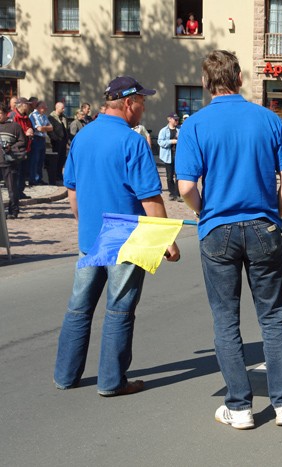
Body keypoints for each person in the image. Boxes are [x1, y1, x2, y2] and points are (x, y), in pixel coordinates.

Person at [176, 50, 282, 429]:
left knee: (226, 320)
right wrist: (273, 216)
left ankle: (240, 407)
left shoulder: (195, 125)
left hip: (218, 231)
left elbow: (185, 187)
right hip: (263, 226)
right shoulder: (268, 120)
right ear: (241, 78)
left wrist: (202, 213)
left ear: (204, 83)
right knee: (273, 318)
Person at [53, 76, 180, 397]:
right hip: (126, 236)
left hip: (92, 236)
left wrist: (84, 222)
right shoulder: (133, 140)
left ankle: (65, 375)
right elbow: (151, 198)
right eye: (142, 101)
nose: (144, 107)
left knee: (78, 308)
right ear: (128, 103)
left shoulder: (83, 136)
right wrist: (167, 239)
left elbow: (72, 189)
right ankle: (111, 380)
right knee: (119, 309)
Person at [0, 104, 27, 218]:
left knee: (11, 188)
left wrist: (11, 146)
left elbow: (22, 141)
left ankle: (13, 211)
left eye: (0, 113)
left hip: (9, 162)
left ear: (6, 114)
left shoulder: (14, 126)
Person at [157, 113, 181, 201]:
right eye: (175, 119)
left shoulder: (180, 130)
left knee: (178, 176)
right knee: (169, 176)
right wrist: (172, 141)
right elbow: (160, 142)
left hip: (178, 156)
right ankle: (172, 193)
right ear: (169, 119)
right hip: (168, 156)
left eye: (178, 119)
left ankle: (178, 194)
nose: (177, 121)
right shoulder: (163, 131)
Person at [29, 100, 52, 185]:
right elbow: (38, 129)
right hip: (36, 139)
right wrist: (45, 128)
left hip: (42, 139)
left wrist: (44, 128)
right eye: (44, 107)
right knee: (35, 159)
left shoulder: (44, 116)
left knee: (41, 160)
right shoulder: (33, 116)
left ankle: (39, 178)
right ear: (39, 107)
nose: (46, 108)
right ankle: (33, 179)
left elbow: (51, 127)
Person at [47, 102, 69, 186]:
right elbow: (51, 131)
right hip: (56, 141)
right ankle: (55, 175)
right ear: (57, 107)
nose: (64, 109)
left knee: (62, 159)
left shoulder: (64, 117)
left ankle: (59, 174)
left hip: (63, 140)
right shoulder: (51, 117)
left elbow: (65, 129)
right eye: (62, 108)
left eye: (64, 108)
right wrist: (55, 138)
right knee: (56, 158)